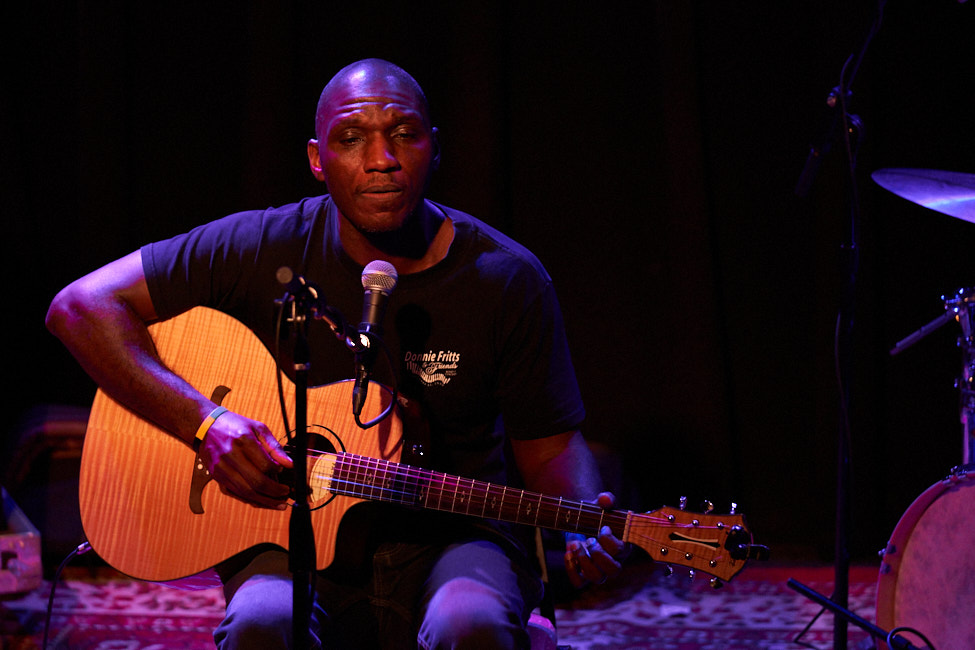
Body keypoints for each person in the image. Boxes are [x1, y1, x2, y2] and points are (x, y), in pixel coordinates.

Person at [46, 58, 626, 649]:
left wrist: (582, 522)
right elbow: (79, 308)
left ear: (435, 146)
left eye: (405, 133)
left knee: (469, 624)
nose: (382, 160)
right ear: (318, 159)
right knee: (260, 625)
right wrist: (206, 422)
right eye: (351, 139)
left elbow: (550, 443)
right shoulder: (263, 245)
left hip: (455, 536)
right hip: (287, 535)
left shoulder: (506, 278)